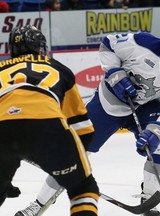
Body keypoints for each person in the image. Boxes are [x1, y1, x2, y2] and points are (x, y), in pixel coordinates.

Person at [14, 22, 160, 216]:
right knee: (75, 153)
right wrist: (114, 73)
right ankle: (39, 204)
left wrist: (157, 131)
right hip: (107, 104)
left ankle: (149, 201)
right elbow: (108, 44)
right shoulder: (142, 43)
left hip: (144, 108)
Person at [0, 25, 100, 216]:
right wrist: (69, 165)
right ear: (40, 48)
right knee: (83, 188)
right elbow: (84, 130)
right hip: (47, 125)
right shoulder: (59, 68)